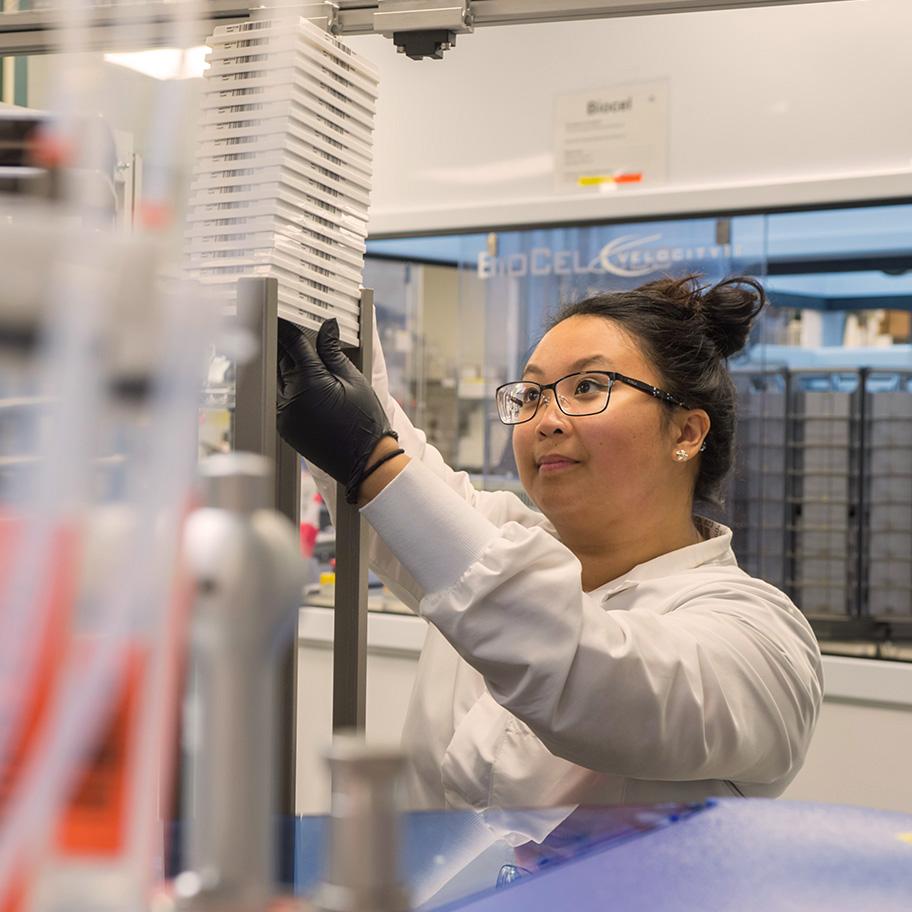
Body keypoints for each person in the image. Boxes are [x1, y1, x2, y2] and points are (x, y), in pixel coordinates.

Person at [276, 274, 823, 814]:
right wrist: (318, 284)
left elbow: (597, 682)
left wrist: (373, 462)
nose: (546, 421)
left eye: (587, 387)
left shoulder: (761, 637)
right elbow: (397, 479)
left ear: (686, 433)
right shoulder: (503, 540)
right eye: (532, 394)